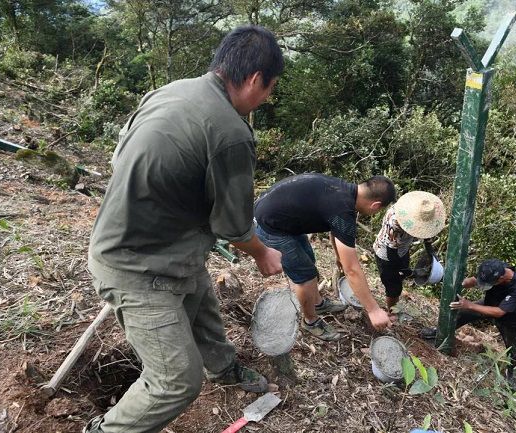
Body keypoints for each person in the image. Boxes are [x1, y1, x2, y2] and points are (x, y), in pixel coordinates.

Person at [84, 26, 284, 433]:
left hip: (163, 242)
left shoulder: (172, 90)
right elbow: (233, 226)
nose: (266, 99)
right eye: (268, 89)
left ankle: (223, 367)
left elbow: (121, 155)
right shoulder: (229, 132)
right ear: (253, 79)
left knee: (200, 301)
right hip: (137, 268)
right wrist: (263, 253)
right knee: (176, 382)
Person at [254, 173, 396, 341]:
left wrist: (338, 256)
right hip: (270, 226)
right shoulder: (343, 211)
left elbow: (335, 231)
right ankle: (310, 321)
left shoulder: (343, 189)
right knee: (305, 276)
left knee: (309, 260)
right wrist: (374, 310)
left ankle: (318, 304)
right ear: (375, 205)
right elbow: (352, 270)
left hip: (279, 217)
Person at [421, 259, 516, 389]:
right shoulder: (493, 269)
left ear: (501, 279)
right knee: (462, 313)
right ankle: (438, 332)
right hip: (490, 304)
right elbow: (473, 280)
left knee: (515, 351)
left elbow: (500, 312)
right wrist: (461, 283)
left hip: (514, 320)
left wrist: (470, 305)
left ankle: (510, 372)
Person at [373, 191, 446, 313]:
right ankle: (391, 312)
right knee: (393, 287)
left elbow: (427, 232)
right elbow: (391, 250)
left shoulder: (422, 210)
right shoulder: (396, 221)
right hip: (386, 253)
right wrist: (401, 270)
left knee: (399, 279)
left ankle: (395, 299)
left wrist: (430, 251)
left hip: (402, 249)